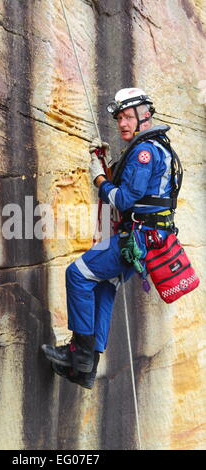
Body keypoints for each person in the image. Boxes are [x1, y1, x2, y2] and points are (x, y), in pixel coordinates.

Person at [42, 88, 181, 389]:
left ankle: (79, 353)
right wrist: (107, 165)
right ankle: (87, 368)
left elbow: (125, 200)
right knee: (103, 285)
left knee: (77, 274)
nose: (122, 123)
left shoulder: (145, 152)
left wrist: (99, 177)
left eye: (128, 116)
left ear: (145, 116)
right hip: (147, 241)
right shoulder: (158, 147)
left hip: (137, 239)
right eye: (119, 118)